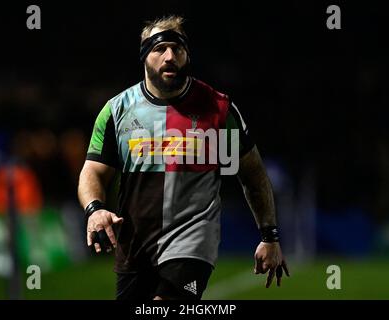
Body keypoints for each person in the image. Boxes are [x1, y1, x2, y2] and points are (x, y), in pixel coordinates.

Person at [78, 15, 289, 300]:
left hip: (192, 245)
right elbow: (93, 171)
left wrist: (270, 237)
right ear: (144, 56)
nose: (169, 56)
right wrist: (95, 209)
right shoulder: (117, 111)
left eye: (177, 49)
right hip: (135, 248)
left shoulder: (218, 110)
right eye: (159, 49)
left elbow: (252, 175)